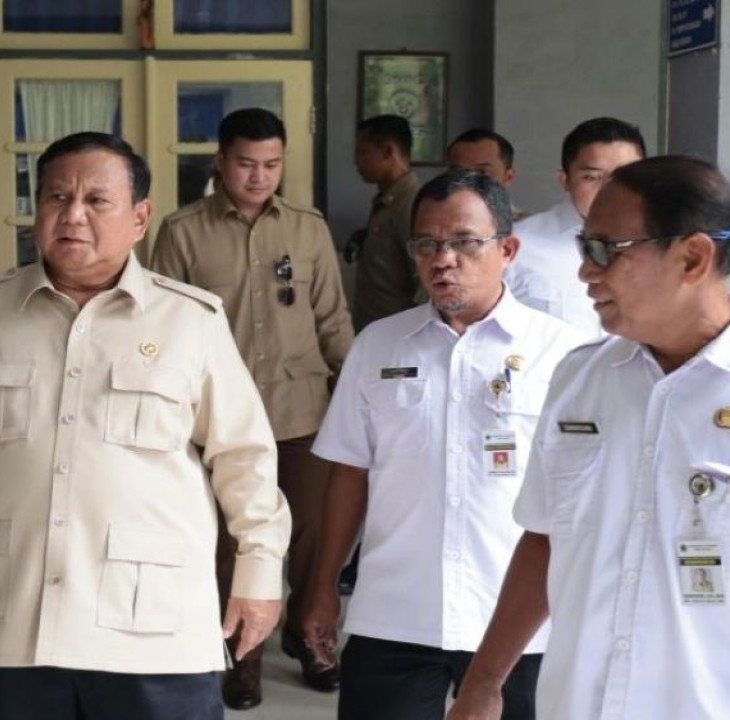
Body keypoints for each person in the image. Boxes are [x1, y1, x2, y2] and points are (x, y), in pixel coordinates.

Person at [0, 131, 291, 720]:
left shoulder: (192, 321)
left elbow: (246, 458)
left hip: (151, 632)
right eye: (57, 198)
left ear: (139, 218)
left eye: (96, 201)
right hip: (12, 621)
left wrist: (259, 572)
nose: (73, 216)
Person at [449, 155, 730, 720]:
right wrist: (483, 683)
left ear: (693, 257)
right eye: (585, 246)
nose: (586, 271)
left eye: (606, 249)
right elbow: (545, 536)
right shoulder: (580, 378)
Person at [306, 169, 584, 719]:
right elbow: (349, 473)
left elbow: (579, 497)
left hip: (520, 622)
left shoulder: (563, 354)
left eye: (463, 242)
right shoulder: (378, 345)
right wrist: (321, 587)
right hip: (395, 614)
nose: (443, 259)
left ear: (507, 249)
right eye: (427, 244)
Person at [151, 107, 351, 708]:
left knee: (315, 537)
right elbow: (162, 324)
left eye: (271, 164)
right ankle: (241, 657)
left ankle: (310, 634)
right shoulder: (182, 231)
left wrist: (361, 383)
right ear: (220, 161)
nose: (259, 176)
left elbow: (331, 317)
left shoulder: (308, 227)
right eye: (246, 164)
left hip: (302, 409)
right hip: (221, 419)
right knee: (234, 543)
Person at [506, 117, 646, 336]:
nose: (608, 189)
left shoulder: (661, 245)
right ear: (565, 181)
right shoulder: (517, 245)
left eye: (623, 176)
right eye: (591, 177)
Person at [351, 114, 421, 332]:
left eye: (363, 152)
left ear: (388, 151)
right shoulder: (386, 200)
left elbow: (422, 280)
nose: (356, 161)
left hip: (399, 334)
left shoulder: (411, 204)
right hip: (377, 330)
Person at [446, 129, 525, 220]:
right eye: (458, 172)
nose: (467, 180)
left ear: (508, 177)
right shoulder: (433, 224)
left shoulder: (528, 229)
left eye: (482, 172)